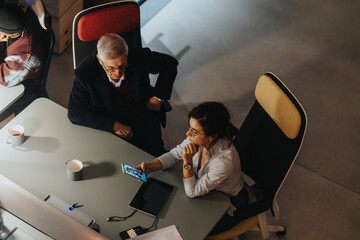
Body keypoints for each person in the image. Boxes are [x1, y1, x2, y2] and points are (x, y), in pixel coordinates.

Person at [136, 102, 249, 234]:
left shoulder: (224, 162)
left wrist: (187, 162)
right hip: (204, 187)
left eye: (194, 132)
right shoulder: (197, 139)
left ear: (212, 137)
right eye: (189, 127)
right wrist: (150, 167)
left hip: (226, 201)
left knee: (188, 230)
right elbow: (174, 155)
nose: (187, 133)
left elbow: (192, 192)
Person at [68, 33, 178, 156]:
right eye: (111, 68)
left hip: (143, 112)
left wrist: (158, 97)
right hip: (111, 119)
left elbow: (170, 64)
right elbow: (74, 112)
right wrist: (112, 125)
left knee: (156, 154)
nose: (118, 73)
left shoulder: (137, 56)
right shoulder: (85, 73)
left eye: (122, 66)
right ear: (100, 60)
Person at [0, 3, 43, 117]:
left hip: (20, 87)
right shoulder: (17, 19)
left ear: (4, 37)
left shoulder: (25, 59)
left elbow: (3, 79)